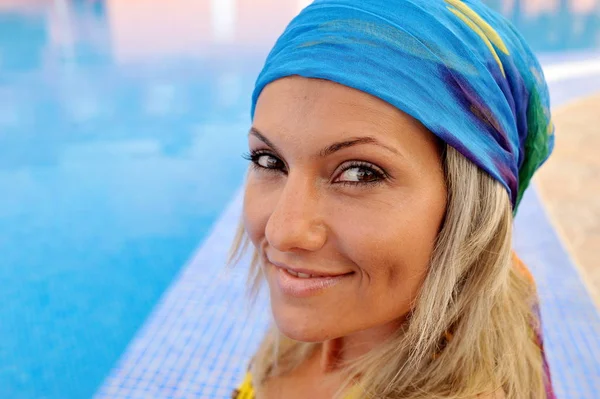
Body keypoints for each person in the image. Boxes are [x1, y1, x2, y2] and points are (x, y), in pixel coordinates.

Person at [227, 0, 557, 397]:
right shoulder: (334, 316)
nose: (283, 232)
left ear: (468, 209)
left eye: (360, 173)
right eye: (270, 160)